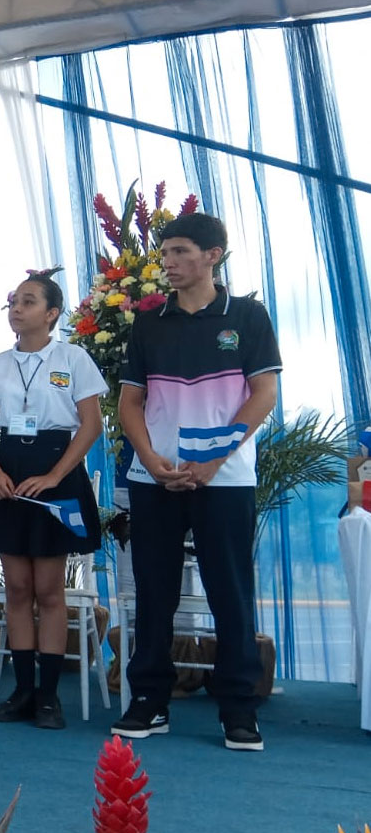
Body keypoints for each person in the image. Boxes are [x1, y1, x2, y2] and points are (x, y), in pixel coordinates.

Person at [111, 212, 281, 751]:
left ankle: (238, 709)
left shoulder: (249, 317)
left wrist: (213, 460)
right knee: (153, 592)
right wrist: (150, 458)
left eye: (181, 252)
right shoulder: (149, 322)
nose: (169, 263)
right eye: (165, 254)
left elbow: (263, 395)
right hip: (153, 477)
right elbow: (129, 401)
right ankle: (148, 701)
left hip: (226, 479)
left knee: (230, 593)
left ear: (213, 255)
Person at [0, 269, 104, 729]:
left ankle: (48, 695)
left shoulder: (74, 358)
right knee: (18, 588)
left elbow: (91, 425)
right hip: (9, 471)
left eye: (27, 301)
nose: (17, 309)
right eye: (13, 302)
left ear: (52, 313)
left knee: (49, 589)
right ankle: (22, 690)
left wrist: (55, 476)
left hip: (55, 469)